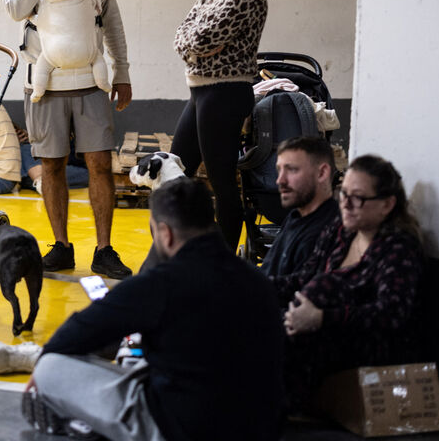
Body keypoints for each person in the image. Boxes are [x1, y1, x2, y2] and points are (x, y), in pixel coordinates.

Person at [23, 177, 285, 441]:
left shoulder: (160, 283)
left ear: (165, 234)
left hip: (183, 427)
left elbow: (81, 329)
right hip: (258, 425)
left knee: (51, 367)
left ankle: (92, 424)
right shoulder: (258, 280)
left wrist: (45, 360)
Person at [3, 0, 133, 278]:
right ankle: (61, 246)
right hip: (43, 83)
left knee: (100, 165)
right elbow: (16, 9)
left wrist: (122, 72)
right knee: (51, 166)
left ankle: (104, 250)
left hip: (91, 80)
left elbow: (111, 18)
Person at [272, 154, 424, 410]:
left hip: (368, 347)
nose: (346, 204)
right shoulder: (340, 231)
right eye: (343, 194)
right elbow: (305, 277)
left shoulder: (398, 248)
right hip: (316, 329)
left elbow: (390, 314)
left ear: (387, 204)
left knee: (322, 292)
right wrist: (257, 286)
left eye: (358, 198)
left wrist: (321, 318)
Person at [171, 0, 272, 251]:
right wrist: (196, 45)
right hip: (200, 91)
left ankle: (223, 261)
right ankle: (182, 249)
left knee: (222, 182)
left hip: (226, 93)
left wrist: (196, 44)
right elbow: (182, 36)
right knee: (174, 173)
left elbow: (203, 37)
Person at [260, 136, 340, 277]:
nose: (280, 180)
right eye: (279, 170)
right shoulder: (296, 216)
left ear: (322, 173)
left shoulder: (325, 234)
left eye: (291, 170)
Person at [28, 0, 110, 103]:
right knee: (98, 60)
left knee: (42, 68)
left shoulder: (49, 5)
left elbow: (39, 21)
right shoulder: (86, 2)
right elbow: (97, 12)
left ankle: (38, 91)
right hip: (85, 52)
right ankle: (103, 83)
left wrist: (30, 16)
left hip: (55, 53)